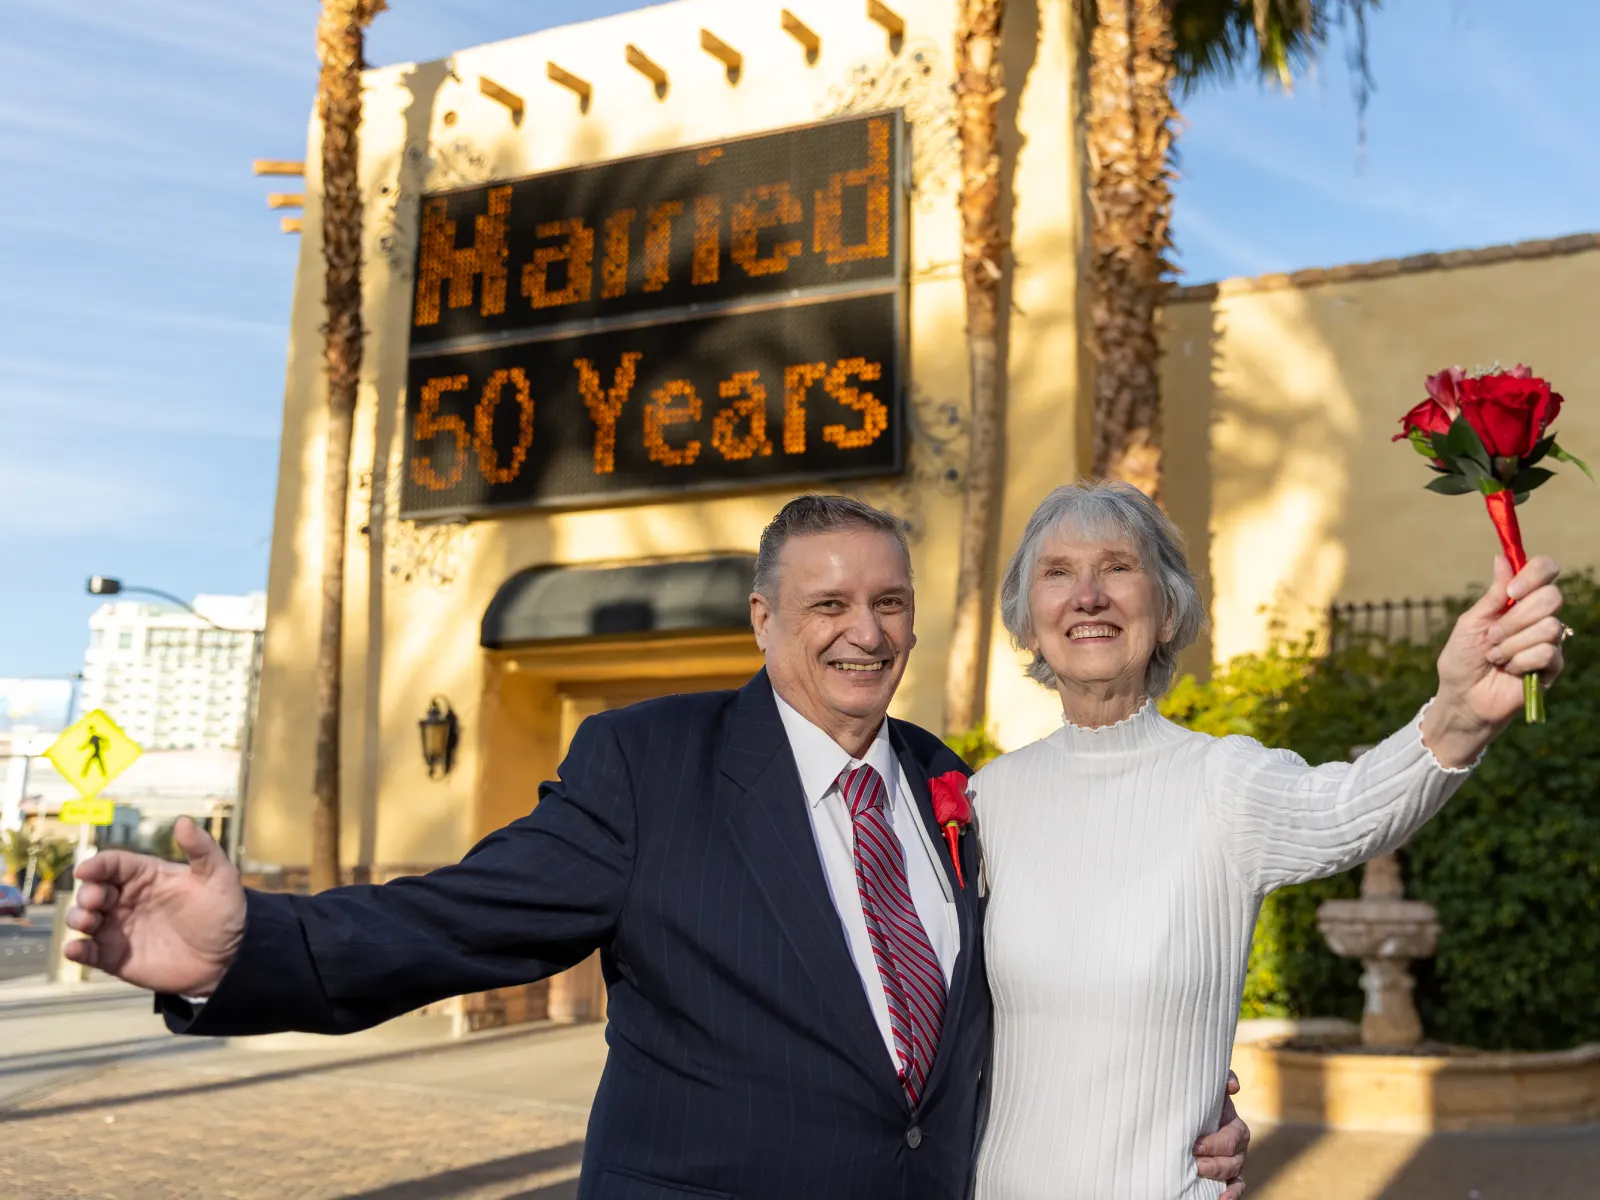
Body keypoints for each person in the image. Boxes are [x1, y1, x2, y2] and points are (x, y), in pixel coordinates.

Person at [64, 495, 1249, 1200]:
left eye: (887, 604)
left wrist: (1166, 1097)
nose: (863, 631)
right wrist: (244, 948)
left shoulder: (950, 782)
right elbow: (460, 919)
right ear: (764, 620)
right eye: (827, 605)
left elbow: (1021, 993)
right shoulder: (651, 764)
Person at [970, 481, 1567, 1199]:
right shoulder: (984, 799)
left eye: (1118, 568)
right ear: (1030, 620)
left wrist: (1460, 715)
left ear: (1165, 613)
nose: (1088, 595)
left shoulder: (1222, 782)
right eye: (1058, 572)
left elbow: (1353, 806)